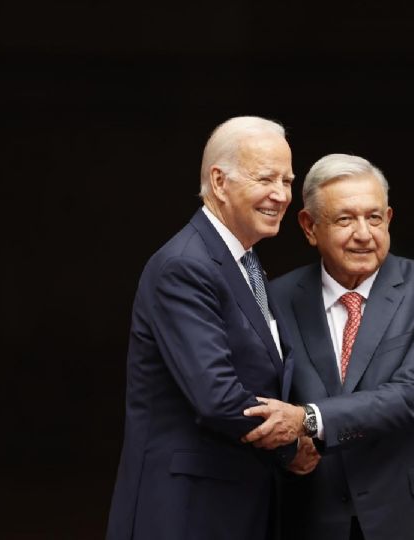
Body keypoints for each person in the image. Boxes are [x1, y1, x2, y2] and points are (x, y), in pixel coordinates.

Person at [106, 116, 318, 540]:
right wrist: (293, 444)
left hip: (231, 504)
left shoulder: (245, 261)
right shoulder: (185, 266)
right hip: (186, 511)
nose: (281, 196)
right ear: (220, 183)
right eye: (266, 179)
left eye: (287, 181)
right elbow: (217, 397)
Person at [242, 153, 414, 539]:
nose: (364, 233)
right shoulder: (275, 299)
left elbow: (412, 394)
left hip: (413, 515)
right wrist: (286, 451)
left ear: (389, 220)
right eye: (345, 219)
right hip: (314, 515)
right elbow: (262, 395)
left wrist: (307, 419)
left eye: (374, 217)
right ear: (309, 227)